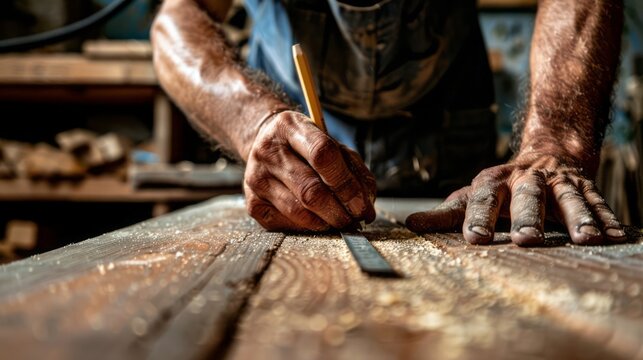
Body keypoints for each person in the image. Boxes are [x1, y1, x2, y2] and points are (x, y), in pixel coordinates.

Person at [151, 0, 626, 246]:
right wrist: (254, 119)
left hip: (449, 149)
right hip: (289, 152)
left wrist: (553, 143)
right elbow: (176, 20)